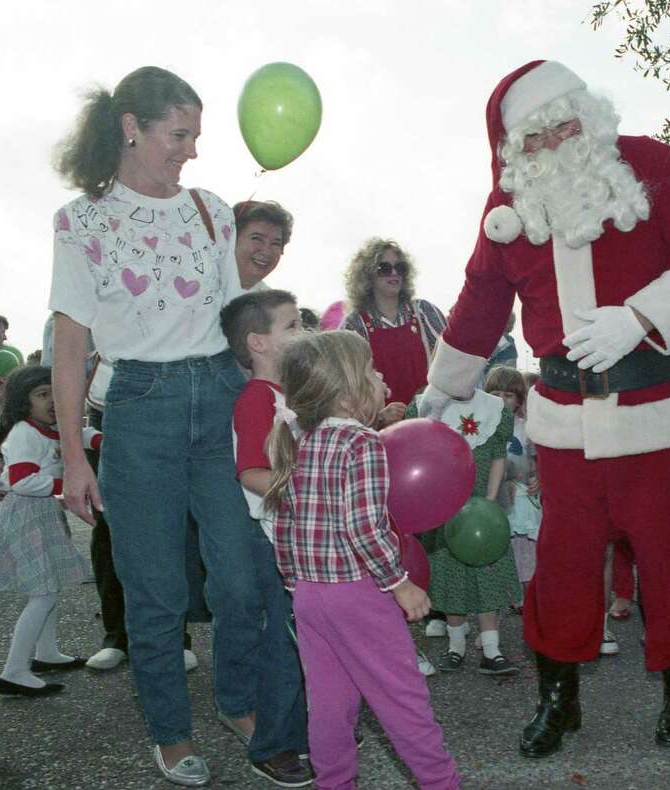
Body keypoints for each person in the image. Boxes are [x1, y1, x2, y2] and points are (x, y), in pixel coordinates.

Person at [420, 60, 670, 756]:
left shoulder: (654, 164)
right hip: (566, 422)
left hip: (658, 409)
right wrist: (439, 389)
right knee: (562, 570)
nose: (559, 142)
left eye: (568, 123)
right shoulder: (507, 212)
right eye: (539, 136)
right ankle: (557, 701)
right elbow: (479, 298)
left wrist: (646, 318)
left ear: (588, 116)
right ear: (515, 151)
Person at [50, 65, 264, 787]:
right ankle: (170, 732)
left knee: (240, 579)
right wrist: (74, 457)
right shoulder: (81, 221)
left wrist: (280, 395)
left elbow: (242, 325)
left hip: (220, 396)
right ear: (131, 127)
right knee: (155, 592)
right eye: (181, 134)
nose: (192, 151)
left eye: (197, 136)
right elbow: (73, 346)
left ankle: (237, 701)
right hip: (139, 410)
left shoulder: (213, 209)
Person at [264, 331, 461, 790]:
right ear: (346, 389)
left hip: (311, 596)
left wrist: (296, 583)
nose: (381, 377)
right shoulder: (362, 443)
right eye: (371, 370)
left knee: (330, 705)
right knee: (403, 699)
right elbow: (364, 527)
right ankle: (441, 783)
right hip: (358, 594)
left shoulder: (301, 442)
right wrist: (400, 583)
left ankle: (333, 783)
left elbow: (286, 526)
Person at [219, 289, 311, 786]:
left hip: (298, 536)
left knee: (305, 638)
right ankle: (272, 744)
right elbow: (251, 472)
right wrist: (305, 493)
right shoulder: (257, 400)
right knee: (286, 642)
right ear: (258, 342)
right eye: (292, 325)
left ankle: (300, 729)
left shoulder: (289, 397)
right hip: (277, 539)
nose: (303, 333)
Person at [0, 366, 97, 697]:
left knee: (48, 587)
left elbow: (80, 435)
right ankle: (14, 671)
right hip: (25, 514)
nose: (52, 400)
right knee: (43, 593)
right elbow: (21, 480)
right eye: (42, 394)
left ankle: (45, 653)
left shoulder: (52, 429)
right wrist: (69, 484)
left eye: (55, 392)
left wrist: (105, 436)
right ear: (24, 402)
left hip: (42, 514)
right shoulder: (25, 432)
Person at [411, 383, 521, 675]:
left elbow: (498, 455)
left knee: (486, 576)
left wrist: (489, 500)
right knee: (451, 579)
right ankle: (455, 647)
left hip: (481, 511)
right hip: (443, 511)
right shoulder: (424, 406)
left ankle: (491, 649)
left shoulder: (493, 408)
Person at [340, 238, 447, 408]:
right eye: (384, 268)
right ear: (367, 275)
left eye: (400, 267)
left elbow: (447, 363)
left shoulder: (424, 312)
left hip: (431, 416)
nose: (394, 273)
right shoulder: (354, 325)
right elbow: (350, 382)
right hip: (379, 426)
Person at [485, 365, 540, 602]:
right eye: (495, 394)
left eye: (508, 395)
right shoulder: (480, 426)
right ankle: (492, 627)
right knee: (493, 559)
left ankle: (530, 612)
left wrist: (541, 477)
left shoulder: (527, 426)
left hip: (521, 501)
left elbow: (537, 460)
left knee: (527, 556)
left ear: (519, 399)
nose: (501, 400)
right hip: (493, 502)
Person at [233, 200, 293, 291]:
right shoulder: (204, 283)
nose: (266, 251)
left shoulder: (272, 304)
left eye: (275, 244)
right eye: (257, 238)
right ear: (233, 239)